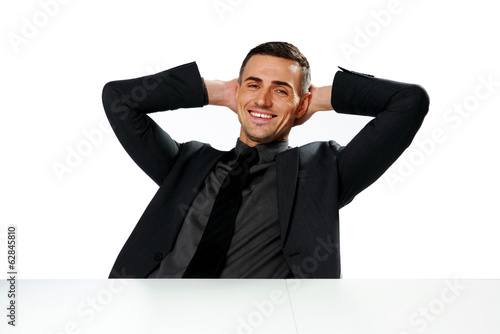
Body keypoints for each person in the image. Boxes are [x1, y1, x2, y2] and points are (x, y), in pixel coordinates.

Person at [102, 41, 429, 279]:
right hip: (150, 316)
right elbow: (119, 99)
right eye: (253, 85)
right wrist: (212, 92)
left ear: (300, 105)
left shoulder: (322, 172)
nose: (262, 98)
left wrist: (316, 100)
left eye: (281, 90)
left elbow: (408, 102)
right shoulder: (186, 163)